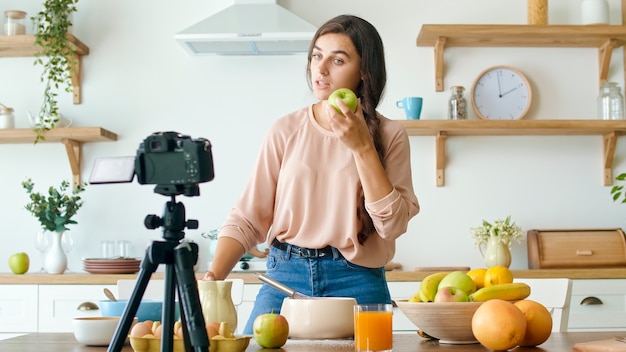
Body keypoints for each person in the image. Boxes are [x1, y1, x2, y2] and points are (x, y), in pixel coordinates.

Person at [204, 14, 420, 334]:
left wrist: (362, 148)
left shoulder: (390, 135)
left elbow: (391, 225)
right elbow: (248, 217)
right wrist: (212, 278)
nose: (320, 69)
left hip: (358, 280)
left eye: (337, 59)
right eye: (317, 56)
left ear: (363, 70)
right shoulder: (285, 129)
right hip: (284, 276)